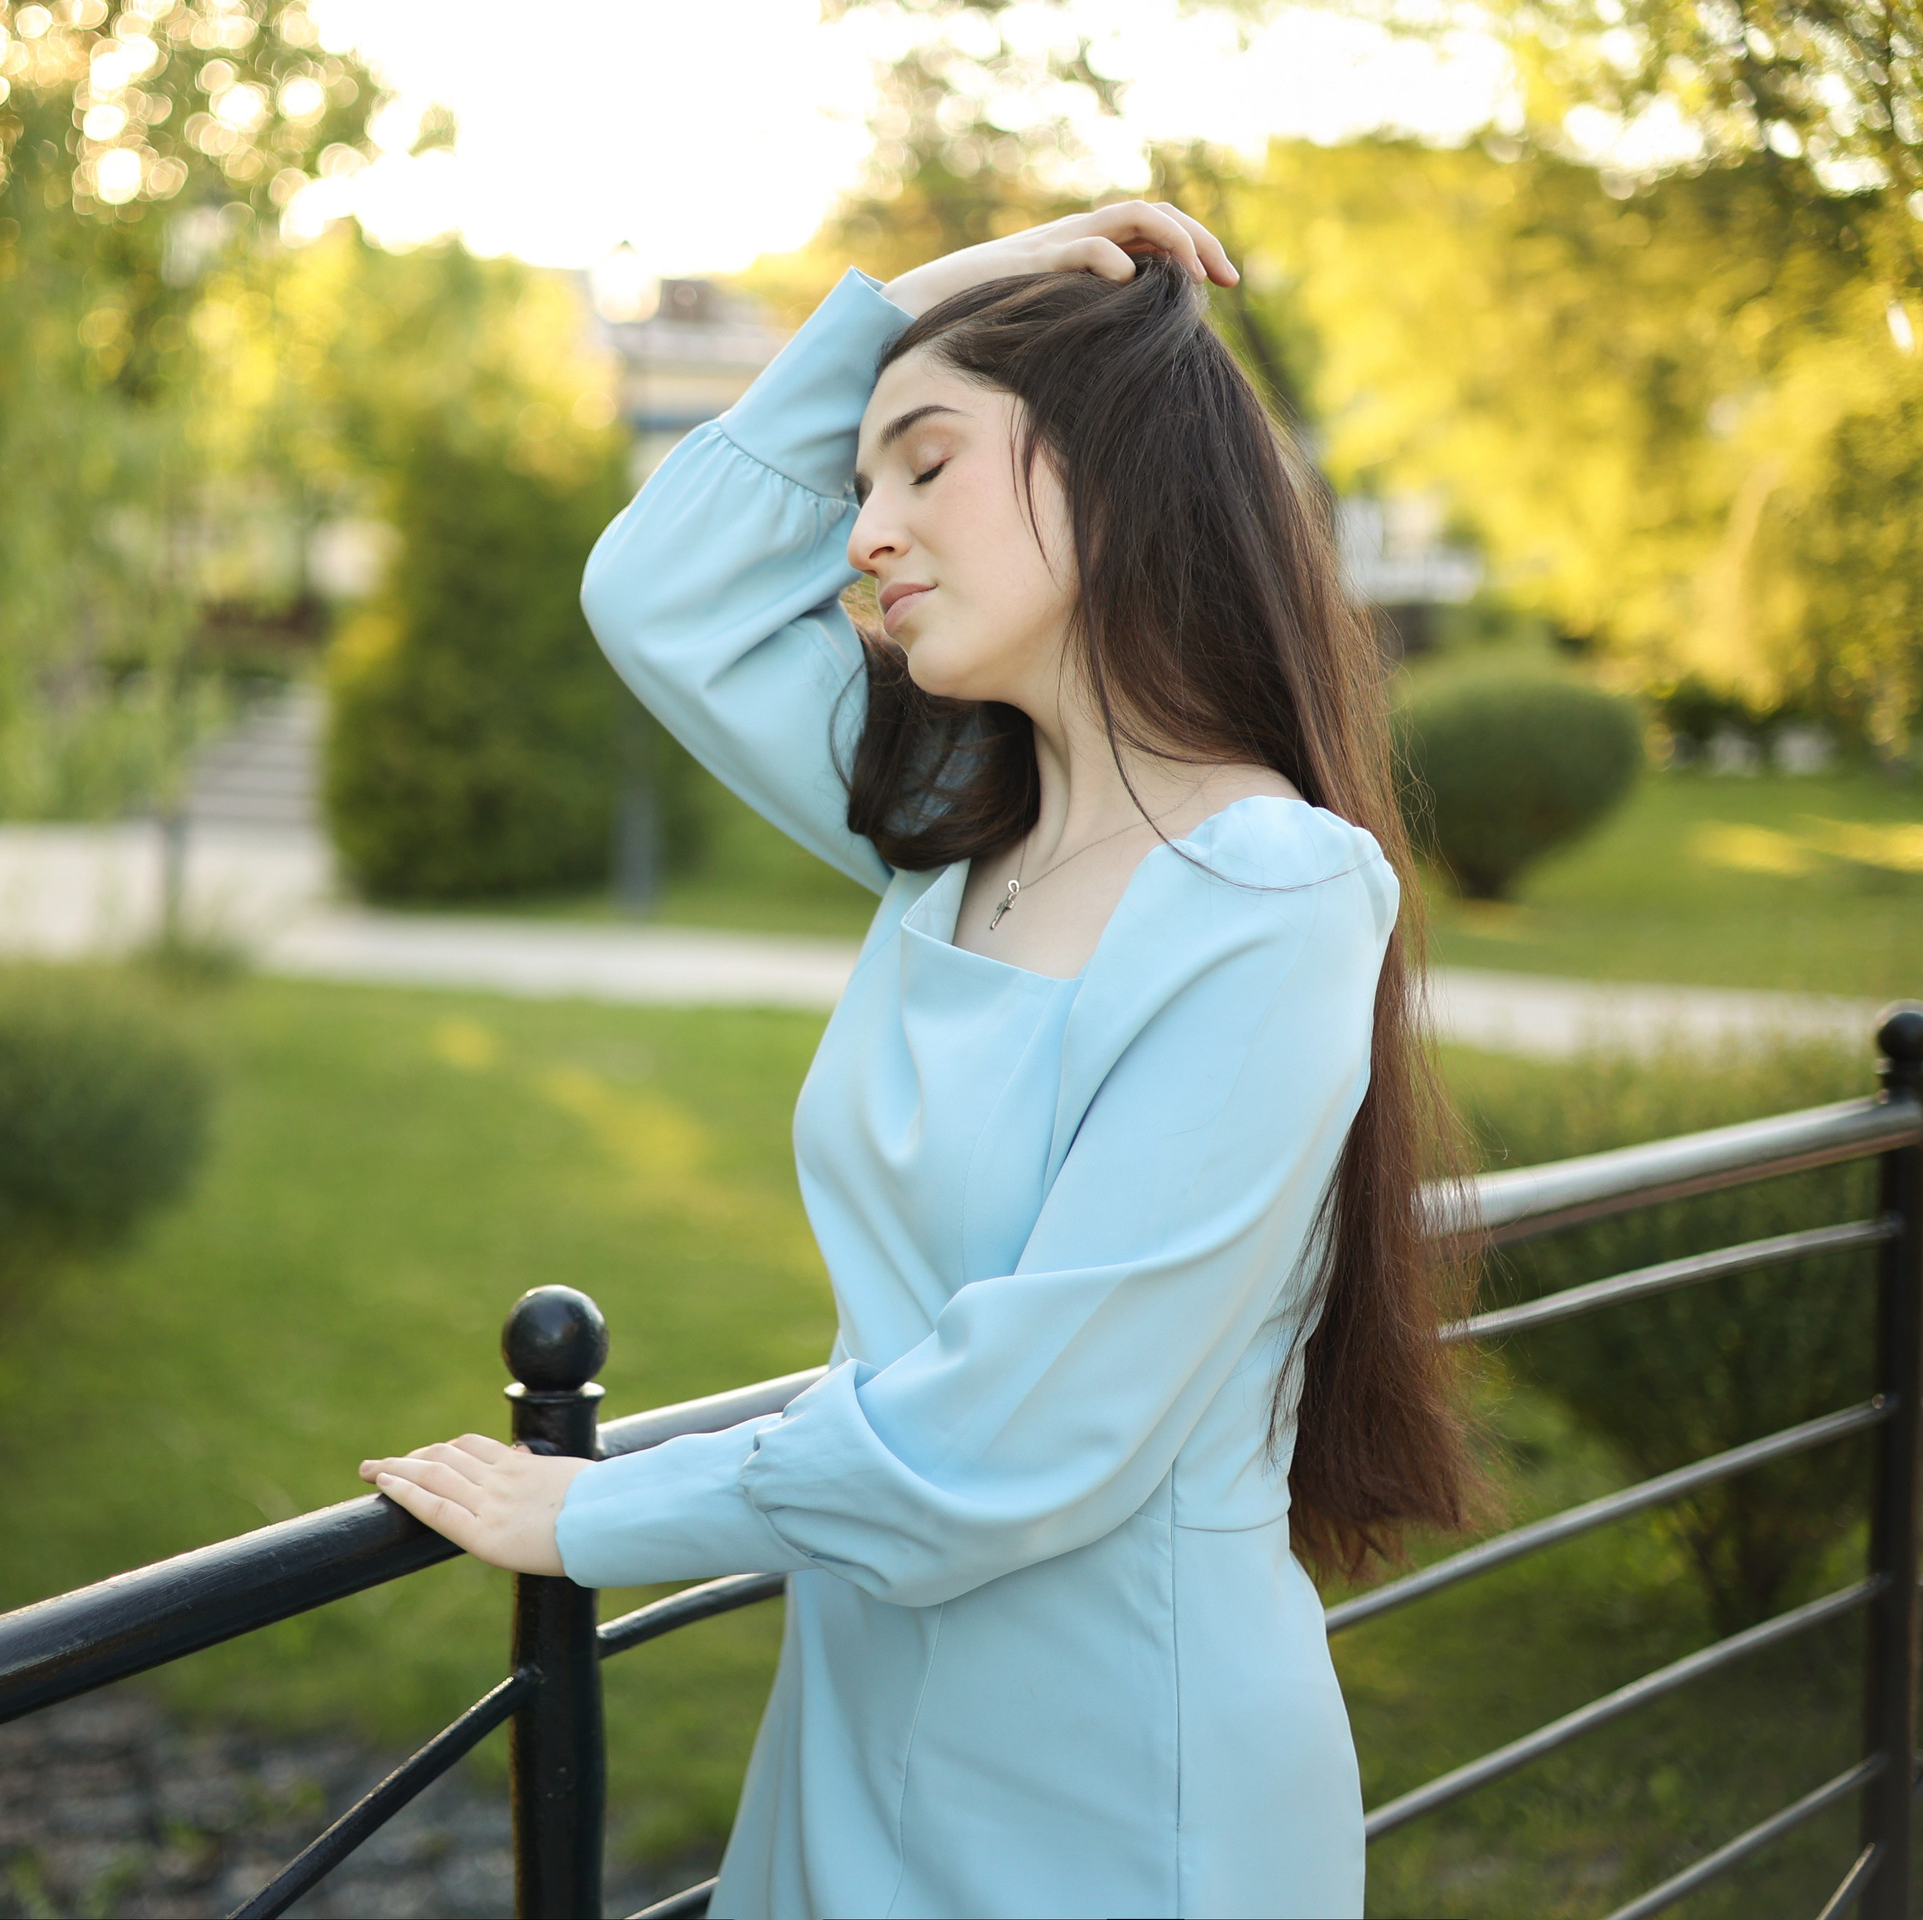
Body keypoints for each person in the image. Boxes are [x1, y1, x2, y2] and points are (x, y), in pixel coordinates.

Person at [360, 201, 1476, 1920]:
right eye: (862, 481)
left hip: (1119, 1789)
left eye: (926, 468)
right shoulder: (958, 844)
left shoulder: (1269, 895)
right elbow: (659, 592)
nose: (865, 533)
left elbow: (1015, 1438)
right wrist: (948, 289)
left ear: (1114, 475)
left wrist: (588, 1518)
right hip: (859, 1715)